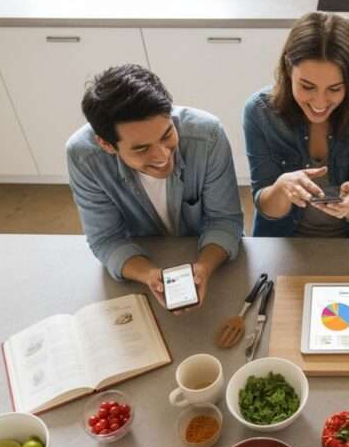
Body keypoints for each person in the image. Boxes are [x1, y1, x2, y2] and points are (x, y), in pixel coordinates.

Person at [66, 63, 244, 309]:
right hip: (138, 266)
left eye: (167, 135)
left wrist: (203, 268)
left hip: (211, 259)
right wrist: (149, 275)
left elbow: (225, 220)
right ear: (107, 145)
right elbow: (106, 239)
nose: (162, 156)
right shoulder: (83, 157)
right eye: (141, 148)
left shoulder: (208, 135)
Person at [242, 12, 349, 238]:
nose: (320, 103)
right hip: (283, 241)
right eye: (307, 87)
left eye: (335, 89)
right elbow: (267, 208)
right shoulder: (259, 112)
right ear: (288, 67)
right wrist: (282, 188)